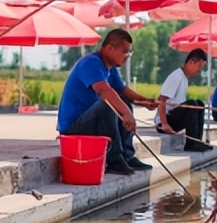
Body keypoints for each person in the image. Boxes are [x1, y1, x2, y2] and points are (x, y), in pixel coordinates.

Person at [56, 29, 157, 175]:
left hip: (91, 122)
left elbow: (122, 90)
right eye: (125, 52)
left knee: (123, 101)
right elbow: (104, 91)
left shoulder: (111, 68)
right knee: (107, 105)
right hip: (73, 128)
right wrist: (126, 113)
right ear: (110, 48)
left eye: (129, 53)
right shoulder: (91, 63)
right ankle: (114, 160)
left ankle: (127, 157)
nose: (127, 57)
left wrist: (144, 101)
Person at [154, 49, 212, 152]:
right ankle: (191, 144)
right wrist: (164, 124)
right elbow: (161, 100)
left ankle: (196, 141)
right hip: (165, 122)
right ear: (191, 62)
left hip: (175, 118)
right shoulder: (176, 76)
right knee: (192, 104)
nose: (200, 70)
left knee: (200, 104)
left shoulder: (184, 78)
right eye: (199, 66)